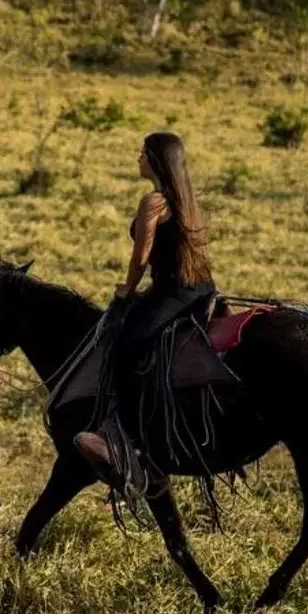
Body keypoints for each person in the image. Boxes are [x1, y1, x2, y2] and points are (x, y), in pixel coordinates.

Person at [72, 131, 218, 489]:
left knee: (125, 345)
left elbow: (141, 257)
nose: (137, 158)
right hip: (197, 289)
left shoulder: (153, 201)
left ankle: (124, 440)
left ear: (155, 161)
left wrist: (128, 289)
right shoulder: (184, 198)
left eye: (143, 153)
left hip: (173, 293)